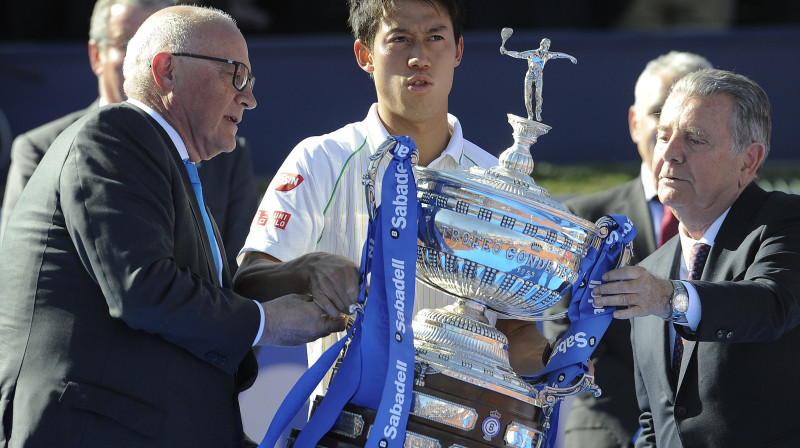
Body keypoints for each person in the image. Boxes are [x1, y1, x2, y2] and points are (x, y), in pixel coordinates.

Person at [0, 5, 357, 447]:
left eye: (250, 80)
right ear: (166, 70)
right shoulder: (115, 133)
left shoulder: (173, 165)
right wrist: (270, 320)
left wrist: (299, 274)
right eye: (235, 74)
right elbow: (144, 289)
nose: (249, 98)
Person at [234, 0, 552, 405]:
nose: (419, 57)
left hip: (458, 427)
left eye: (435, 37)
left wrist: (560, 358)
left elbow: (517, 331)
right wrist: (306, 270)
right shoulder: (318, 159)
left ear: (458, 50)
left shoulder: (499, 181)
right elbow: (248, 282)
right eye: (400, 39)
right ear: (365, 55)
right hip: (346, 425)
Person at [591, 68, 800, 447]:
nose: (670, 153)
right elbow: (654, 422)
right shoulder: (651, 270)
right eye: (663, 136)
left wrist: (670, 299)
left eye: (695, 139)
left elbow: (771, 306)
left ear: (748, 161)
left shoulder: (785, 222)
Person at [1, 0, 260, 274]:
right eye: (130, 43)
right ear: (97, 55)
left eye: (159, 41)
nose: (142, 58)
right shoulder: (43, 148)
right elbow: (18, 267)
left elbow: (237, 275)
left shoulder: (224, 154)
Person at [543, 51, 712, 448]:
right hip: (609, 428)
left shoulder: (747, 226)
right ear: (635, 123)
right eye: (660, 114)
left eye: (691, 121)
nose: (672, 133)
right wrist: (651, 425)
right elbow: (565, 332)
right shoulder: (584, 220)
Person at [500, 30, 576, 122]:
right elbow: (518, 54)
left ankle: (538, 112)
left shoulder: (548, 55)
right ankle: (530, 114)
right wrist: (506, 52)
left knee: (538, 96)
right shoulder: (532, 53)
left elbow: (559, 54)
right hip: (530, 76)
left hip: (539, 77)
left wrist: (570, 57)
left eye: (547, 45)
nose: (546, 46)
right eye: (544, 44)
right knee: (528, 96)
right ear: (541, 44)